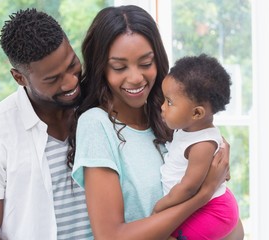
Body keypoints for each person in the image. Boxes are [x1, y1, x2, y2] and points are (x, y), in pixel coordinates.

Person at [69, 5, 243, 239]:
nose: (135, 78)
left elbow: (228, 222)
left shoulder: (177, 117)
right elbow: (110, 236)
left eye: (145, 63)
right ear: (102, 68)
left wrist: (212, 188)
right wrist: (203, 193)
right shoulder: (96, 125)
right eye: (119, 67)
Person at [0, 8, 93, 239]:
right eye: (53, 79)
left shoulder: (95, 106)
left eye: (71, 65)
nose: (70, 83)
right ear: (20, 78)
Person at [153, 54, 239, 239]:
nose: (162, 107)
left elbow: (189, 187)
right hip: (207, 206)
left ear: (197, 113)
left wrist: (162, 206)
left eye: (169, 102)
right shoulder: (188, 129)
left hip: (214, 211)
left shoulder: (201, 145)